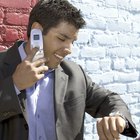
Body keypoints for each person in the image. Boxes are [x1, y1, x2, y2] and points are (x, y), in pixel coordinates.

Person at [0, 0, 138, 140]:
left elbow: (109, 99)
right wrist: (14, 86)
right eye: (61, 38)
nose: (69, 50)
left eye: (72, 41)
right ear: (37, 31)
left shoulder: (75, 74)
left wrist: (118, 117)